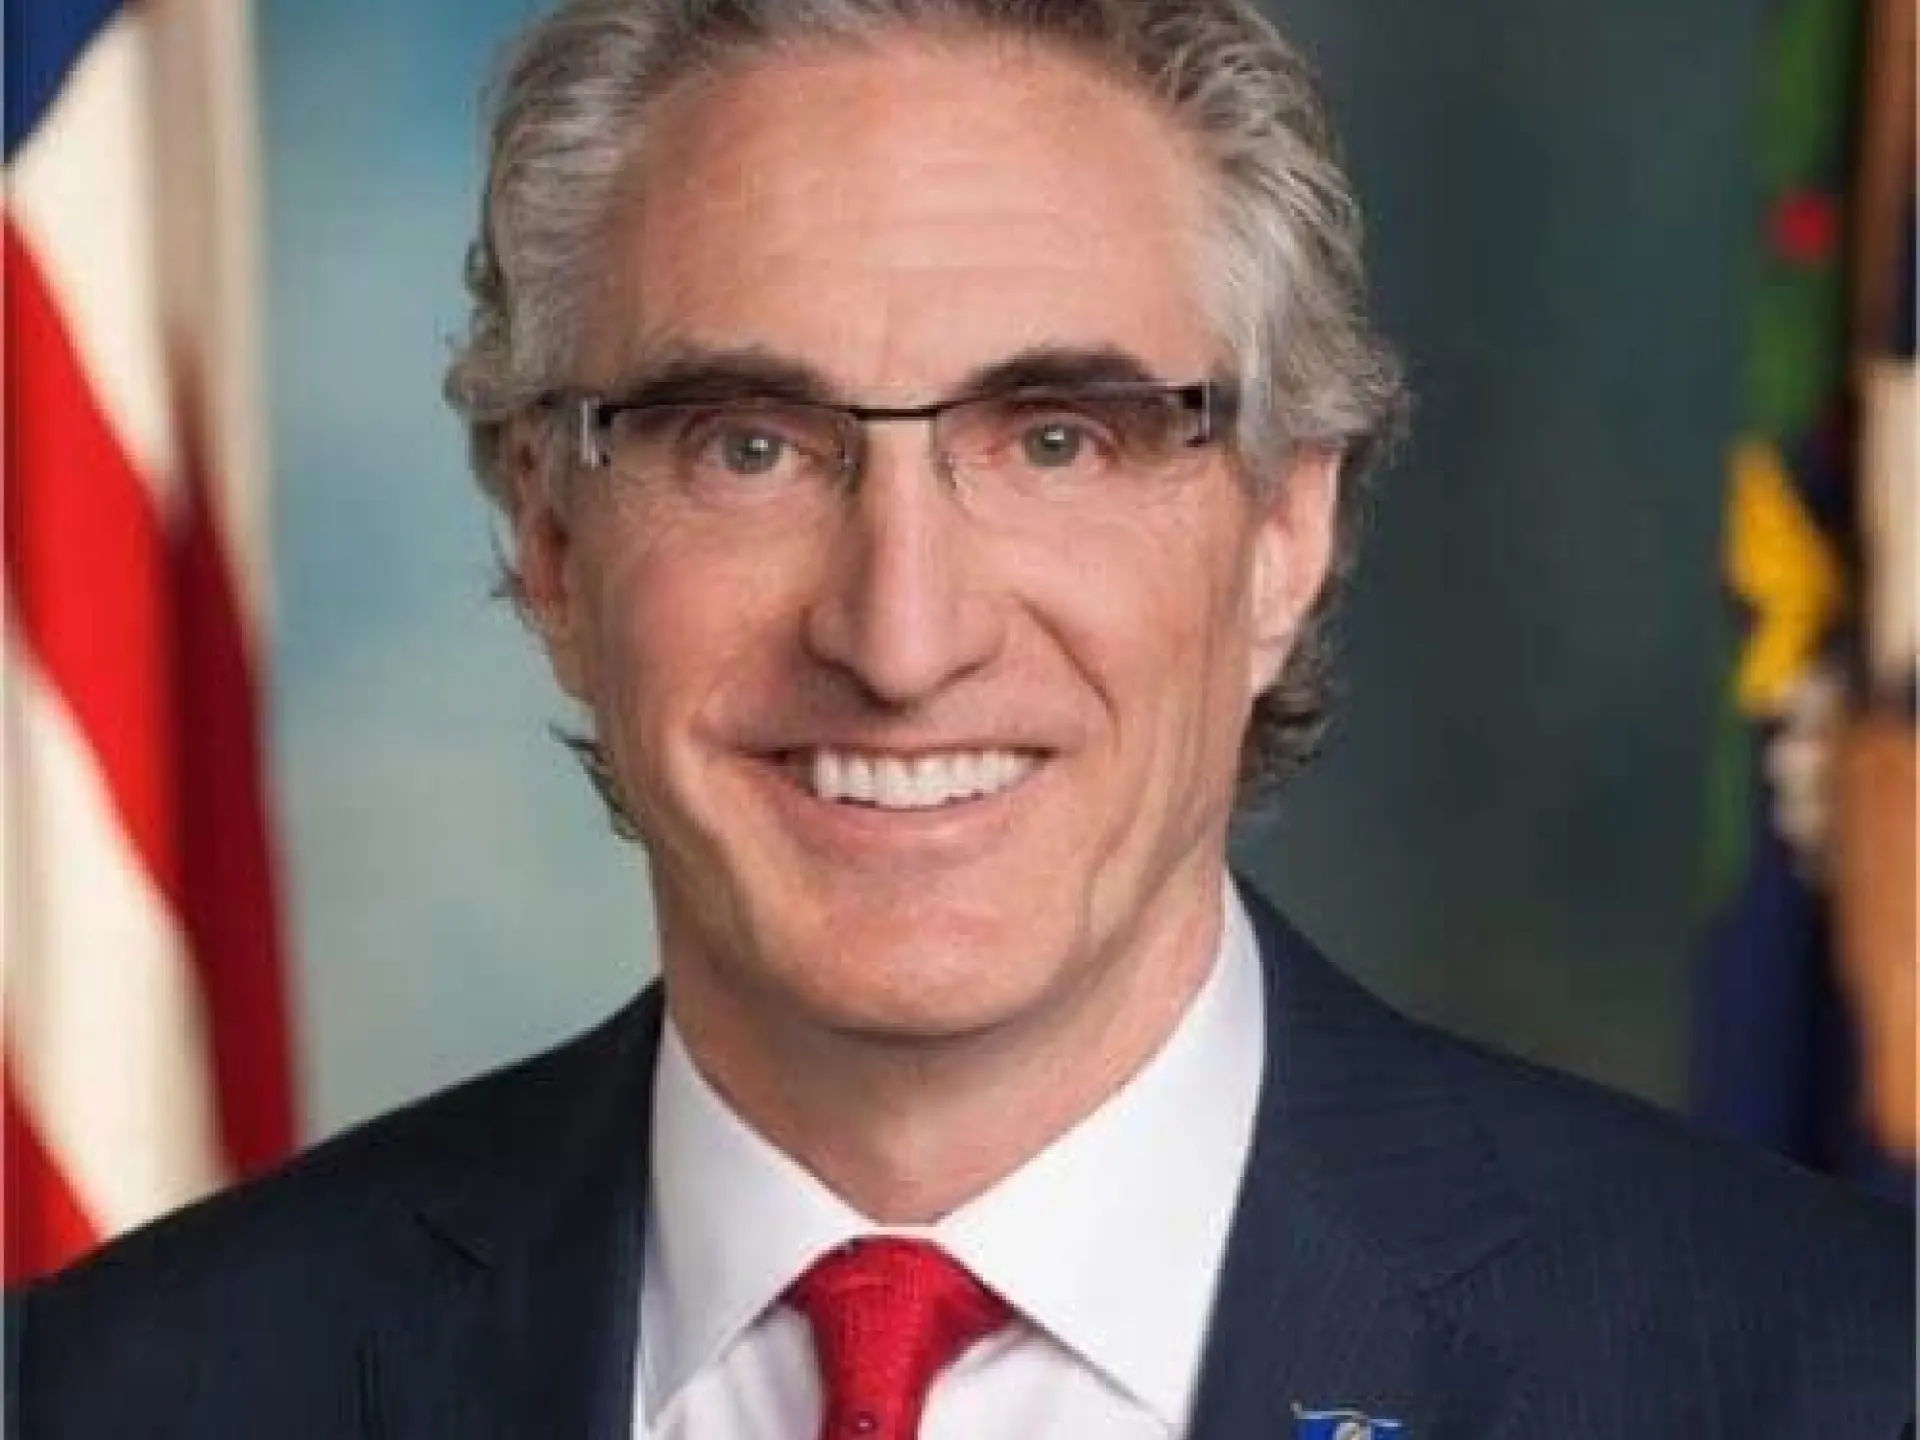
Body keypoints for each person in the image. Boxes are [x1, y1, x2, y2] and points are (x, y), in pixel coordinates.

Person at [9, 1, 1913, 1435]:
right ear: (550, 539)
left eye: (1059, 437)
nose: (902, 636)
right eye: (747, 444)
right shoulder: (123, 1389)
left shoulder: (1822, 1371)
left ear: (1282, 524)